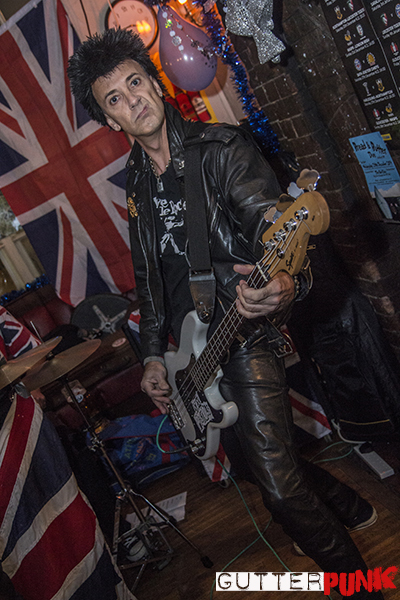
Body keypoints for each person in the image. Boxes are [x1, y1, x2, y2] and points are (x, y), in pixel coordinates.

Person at [67, 28, 383, 598]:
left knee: (279, 490)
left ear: (155, 83)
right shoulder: (136, 183)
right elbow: (150, 280)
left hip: (244, 329)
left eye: (135, 82)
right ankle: (349, 506)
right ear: (110, 119)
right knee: (256, 465)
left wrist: (283, 283)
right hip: (194, 353)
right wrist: (155, 356)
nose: (132, 99)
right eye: (115, 98)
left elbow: (272, 226)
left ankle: (360, 587)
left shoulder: (221, 148)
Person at [0, 306, 136, 600]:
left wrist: (29, 385)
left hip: (23, 428)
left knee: (78, 470)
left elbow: (32, 355)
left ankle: (117, 543)